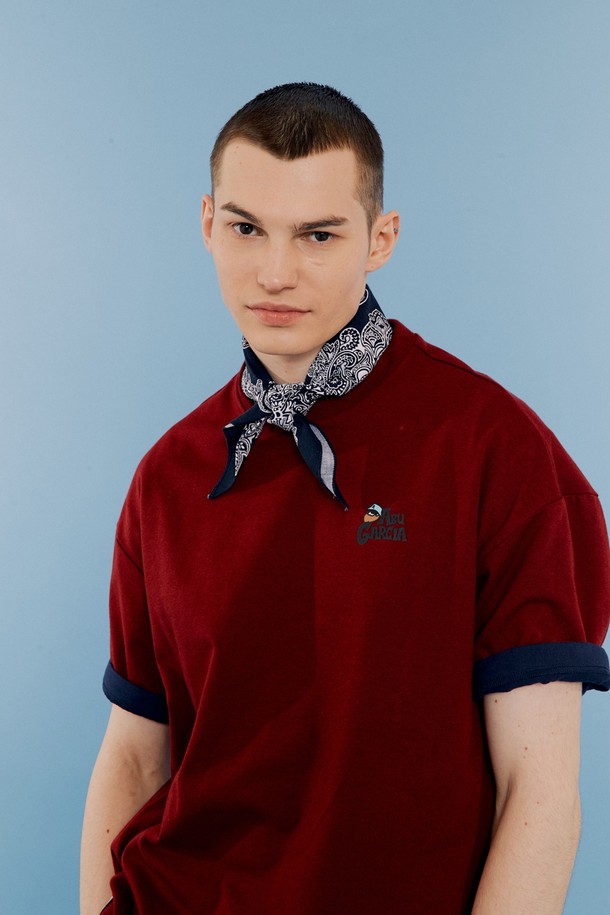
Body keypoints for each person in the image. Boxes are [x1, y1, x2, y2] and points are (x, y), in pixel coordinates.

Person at [80, 83, 610, 915]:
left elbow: (538, 791)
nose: (275, 272)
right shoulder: (166, 477)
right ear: (207, 224)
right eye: (246, 228)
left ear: (380, 238)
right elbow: (134, 757)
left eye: (318, 234)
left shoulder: (498, 452)